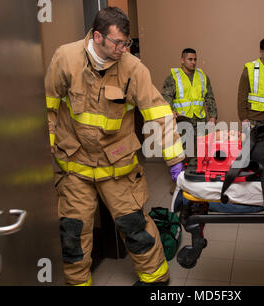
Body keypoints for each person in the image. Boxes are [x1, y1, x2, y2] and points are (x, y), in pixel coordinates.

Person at [44, 7, 184, 286]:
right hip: (74, 164)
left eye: (127, 42)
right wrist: (48, 151)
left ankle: (156, 279)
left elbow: (159, 114)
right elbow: (49, 106)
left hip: (118, 165)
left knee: (134, 226)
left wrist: (175, 163)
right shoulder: (66, 58)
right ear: (97, 37)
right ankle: (78, 283)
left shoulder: (133, 68)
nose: (123, 48)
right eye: (118, 42)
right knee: (73, 232)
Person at [161, 48, 218, 152]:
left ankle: (200, 168)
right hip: (182, 120)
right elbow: (166, 97)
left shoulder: (203, 77)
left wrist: (213, 116)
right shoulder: (173, 78)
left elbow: (210, 98)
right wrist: (171, 111)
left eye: (195, 59)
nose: (193, 62)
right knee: (184, 150)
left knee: (203, 149)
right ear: (182, 60)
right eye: (190, 59)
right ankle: (184, 168)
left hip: (200, 120)